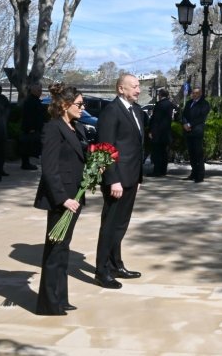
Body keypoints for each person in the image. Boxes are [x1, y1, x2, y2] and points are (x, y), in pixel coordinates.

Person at [33, 84, 88, 315]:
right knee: (55, 250)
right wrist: (63, 198)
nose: (82, 108)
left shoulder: (76, 127)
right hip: (62, 199)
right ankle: (48, 303)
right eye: (79, 104)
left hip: (75, 195)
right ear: (65, 105)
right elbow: (49, 168)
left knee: (63, 249)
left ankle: (60, 297)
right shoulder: (53, 128)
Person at [94, 73, 144, 289]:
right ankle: (101, 270)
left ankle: (116, 264)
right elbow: (105, 148)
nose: (138, 90)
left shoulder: (137, 111)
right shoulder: (111, 111)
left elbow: (137, 147)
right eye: (134, 86)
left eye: (139, 86)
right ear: (120, 89)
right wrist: (112, 180)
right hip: (117, 180)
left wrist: (139, 177)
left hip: (132, 178)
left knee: (121, 225)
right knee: (110, 225)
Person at [182, 87, 210, 183]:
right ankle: (193, 173)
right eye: (193, 93)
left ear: (200, 94)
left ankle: (200, 175)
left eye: (196, 93)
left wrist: (190, 124)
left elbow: (201, 118)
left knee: (198, 154)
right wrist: (185, 123)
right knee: (191, 154)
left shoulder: (204, 104)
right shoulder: (189, 103)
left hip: (197, 131)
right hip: (188, 132)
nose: (194, 95)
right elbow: (184, 114)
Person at [148, 88, 176, 177]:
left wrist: (151, 131)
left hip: (158, 133)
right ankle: (163, 170)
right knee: (164, 153)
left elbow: (156, 120)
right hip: (166, 132)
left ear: (160, 95)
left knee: (157, 153)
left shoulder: (160, 105)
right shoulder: (170, 104)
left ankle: (157, 171)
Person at [21, 83, 45, 170]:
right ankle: (25, 164)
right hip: (30, 129)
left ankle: (26, 163)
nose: (40, 92)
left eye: (41, 90)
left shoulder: (34, 100)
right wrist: (31, 128)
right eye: (39, 91)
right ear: (33, 91)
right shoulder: (30, 101)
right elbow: (29, 116)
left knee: (28, 146)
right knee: (27, 147)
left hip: (34, 127)